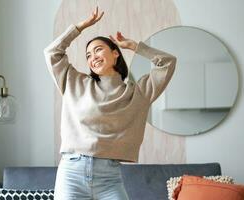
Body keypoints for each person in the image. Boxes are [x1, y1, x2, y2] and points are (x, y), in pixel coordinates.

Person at [43, 6, 176, 200]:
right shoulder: (75, 83)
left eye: (98, 50)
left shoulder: (137, 93)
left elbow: (168, 63)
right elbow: (52, 52)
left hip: (109, 178)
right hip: (72, 173)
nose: (92, 57)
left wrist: (135, 46)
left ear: (115, 54)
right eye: (88, 55)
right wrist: (79, 27)